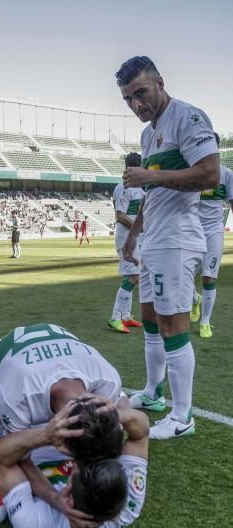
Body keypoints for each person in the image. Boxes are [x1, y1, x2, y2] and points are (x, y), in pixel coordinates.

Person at [116, 55, 219, 439]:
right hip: (154, 238)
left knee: (174, 325)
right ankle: (154, 392)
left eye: (140, 93)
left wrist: (147, 175)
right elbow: (153, 194)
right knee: (149, 318)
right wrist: (133, 235)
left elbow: (209, 174)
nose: (136, 104)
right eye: (128, 98)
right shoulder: (149, 134)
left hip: (177, 239)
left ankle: (182, 416)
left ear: (159, 82)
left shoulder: (188, 117)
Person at [0, 322, 123, 521]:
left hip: (57, 362)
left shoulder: (109, 382)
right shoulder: (20, 396)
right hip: (3, 370)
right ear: (63, 444)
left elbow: (134, 421)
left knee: (124, 403)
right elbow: (13, 455)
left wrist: (120, 415)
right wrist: (54, 497)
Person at [0, 397, 149, 528]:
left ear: (69, 499)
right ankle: (119, 401)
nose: (83, 459)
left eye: (76, 466)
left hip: (30, 438)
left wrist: (44, 436)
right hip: (69, 432)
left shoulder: (34, 527)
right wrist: (113, 414)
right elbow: (141, 433)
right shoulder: (129, 509)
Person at [190, 133, 233, 338]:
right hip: (191, 230)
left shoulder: (226, 174)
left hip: (214, 230)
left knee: (209, 277)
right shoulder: (191, 173)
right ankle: (194, 300)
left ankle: (205, 322)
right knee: (184, 276)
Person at [108, 153, 144, 334]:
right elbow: (120, 216)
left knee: (133, 276)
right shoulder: (123, 186)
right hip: (126, 238)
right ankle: (115, 317)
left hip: (136, 237)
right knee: (133, 277)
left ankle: (126, 316)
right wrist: (140, 228)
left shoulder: (138, 187)